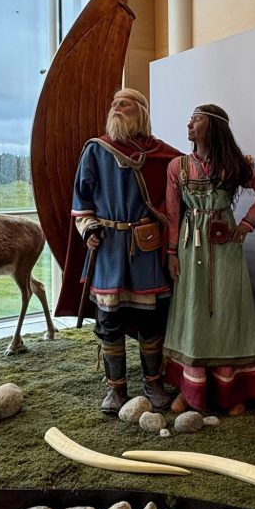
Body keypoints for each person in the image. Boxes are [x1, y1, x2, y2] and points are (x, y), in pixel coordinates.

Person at [57, 89, 179, 413]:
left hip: (146, 248)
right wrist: (89, 230)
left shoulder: (161, 154)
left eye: (122, 104)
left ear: (140, 111)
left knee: (151, 320)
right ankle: (116, 390)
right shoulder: (96, 150)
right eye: (113, 104)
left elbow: (185, 182)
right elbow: (81, 202)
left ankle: (153, 384)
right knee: (108, 320)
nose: (115, 107)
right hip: (109, 249)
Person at [163, 104, 255, 416]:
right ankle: (190, 389)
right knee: (192, 309)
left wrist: (246, 225)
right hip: (190, 245)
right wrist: (171, 253)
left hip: (226, 248)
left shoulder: (233, 164)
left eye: (195, 119)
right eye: (190, 119)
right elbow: (172, 215)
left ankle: (230, 389)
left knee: (226, 309)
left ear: (212, 126)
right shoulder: (177, 167)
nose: (189, 124)